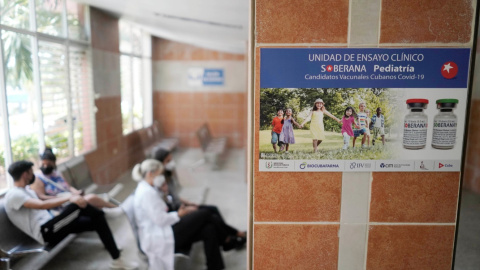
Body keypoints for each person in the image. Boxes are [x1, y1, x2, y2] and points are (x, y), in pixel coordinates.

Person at [4, 160, 137, 270]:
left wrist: (70, 196)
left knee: (97, 220)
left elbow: (43, 201)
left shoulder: (25, 191)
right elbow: (41, 205)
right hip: (46, 231)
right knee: (78, 205)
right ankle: (109, 213)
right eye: (31, 172)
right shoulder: (14, 195)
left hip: (54, 224)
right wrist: (70, 199)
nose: (34, 174)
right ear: (25, 174)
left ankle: (117, 260)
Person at [132, 159, 227, 270]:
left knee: (208, 229)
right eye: (159, 174)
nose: (161, 177)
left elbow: (162, 208)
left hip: (167, 228)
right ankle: (227, 238)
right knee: (206, 213)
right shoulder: (146, 193)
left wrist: (165, 193)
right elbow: (160, 220)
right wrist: (179, 214)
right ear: (150, 174)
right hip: (161, 236)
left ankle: (215, 266)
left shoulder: (149, 188)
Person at [154, 149, 247, 244]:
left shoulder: (169, 176)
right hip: (178, 212)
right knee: (209, 215)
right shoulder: (160, 182)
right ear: (160, 163)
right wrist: (186, 208)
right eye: (168, 161)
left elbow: (175, 197)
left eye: (171, 159)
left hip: (181, 206)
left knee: (213, 209)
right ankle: (231, 237)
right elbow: (168, 203)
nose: (172, 163)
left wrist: (189, 203)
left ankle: (231, 237)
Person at [30, 147, 118, 212]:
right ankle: (116, 209)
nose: (45, 167)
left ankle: (112, 210)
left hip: (70, 198)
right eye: (43, 164)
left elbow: (68, 186)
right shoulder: (38, 178)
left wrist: (76, 192)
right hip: (60, 204)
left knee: (93, 202)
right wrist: (62, 198)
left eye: (48, 164)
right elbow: (41, 198)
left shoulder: (57, 173)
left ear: (53, 164)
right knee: (91, 198)